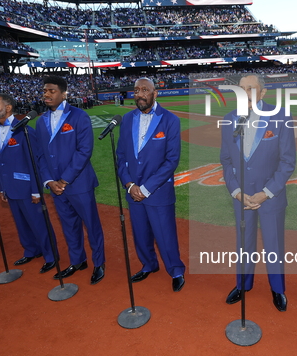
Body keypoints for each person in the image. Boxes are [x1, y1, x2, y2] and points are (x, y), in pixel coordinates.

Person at [220, 74, 296, 312]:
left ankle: (277, 289)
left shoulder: (281, 116)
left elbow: (287, 162)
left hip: (270, 196)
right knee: (244, 243)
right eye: (241, 89)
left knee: (273, 245)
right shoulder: (230, 119)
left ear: (263, 93)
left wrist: (266, 192)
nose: (245, 93)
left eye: (251, 88)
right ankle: (243, 285)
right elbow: (226, 160)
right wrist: (236, 191)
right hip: (241, 197)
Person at [116, 78, 186, 292]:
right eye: (136, 90)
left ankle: (175, 270)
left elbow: (171, 160)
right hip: (133, 191)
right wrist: (129, 184)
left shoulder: (170, 120)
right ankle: (149, 265)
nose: (140, 94)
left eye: (145, 90)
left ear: (155, 94)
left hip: (157, 192)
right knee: (140, 233)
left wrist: (145, 189)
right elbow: (120, 156)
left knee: (165, 234)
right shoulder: (127, 119)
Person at [35, 75, 106, 284]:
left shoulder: (79, 116)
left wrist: (64, 180)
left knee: (91, 225)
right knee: (69, 226)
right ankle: (77, 261)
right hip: (55, 187)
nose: (46, 94)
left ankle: (99, 263)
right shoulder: (40, 121)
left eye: (51, 91)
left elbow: (84, 151)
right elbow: (39, 155)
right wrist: (49, 181)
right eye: (45, 91)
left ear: (64, 94)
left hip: (79, 184)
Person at [0, 93, 56, 274]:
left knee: (39, 223)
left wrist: (36, 190)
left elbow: (35, 162)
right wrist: (1, 187)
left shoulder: (25, 130)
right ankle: (31, 250)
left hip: (28, 188)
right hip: (10, 188)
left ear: (8, 107)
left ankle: (51, 256)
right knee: (20, 223)